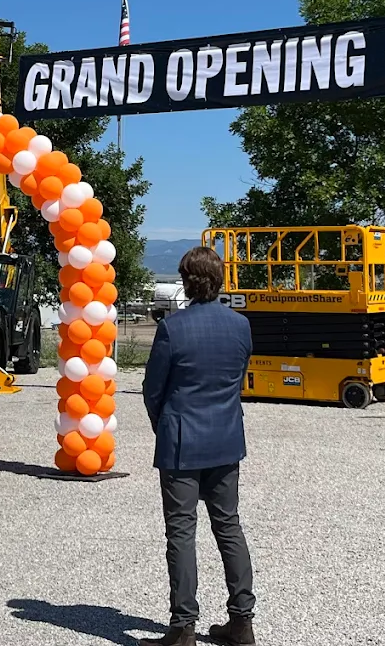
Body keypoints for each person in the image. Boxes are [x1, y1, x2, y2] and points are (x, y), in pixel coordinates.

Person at [141, 246, 256, 646]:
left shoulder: (173, 328)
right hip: (225, 438)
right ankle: (242, 621)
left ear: (187, 282)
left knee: (181, 532)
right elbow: (237, 379)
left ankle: (183, 627)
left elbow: (152, 389)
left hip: (182, 442)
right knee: (229, 526)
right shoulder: (241, 326)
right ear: (220, 279)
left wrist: (165, 425)